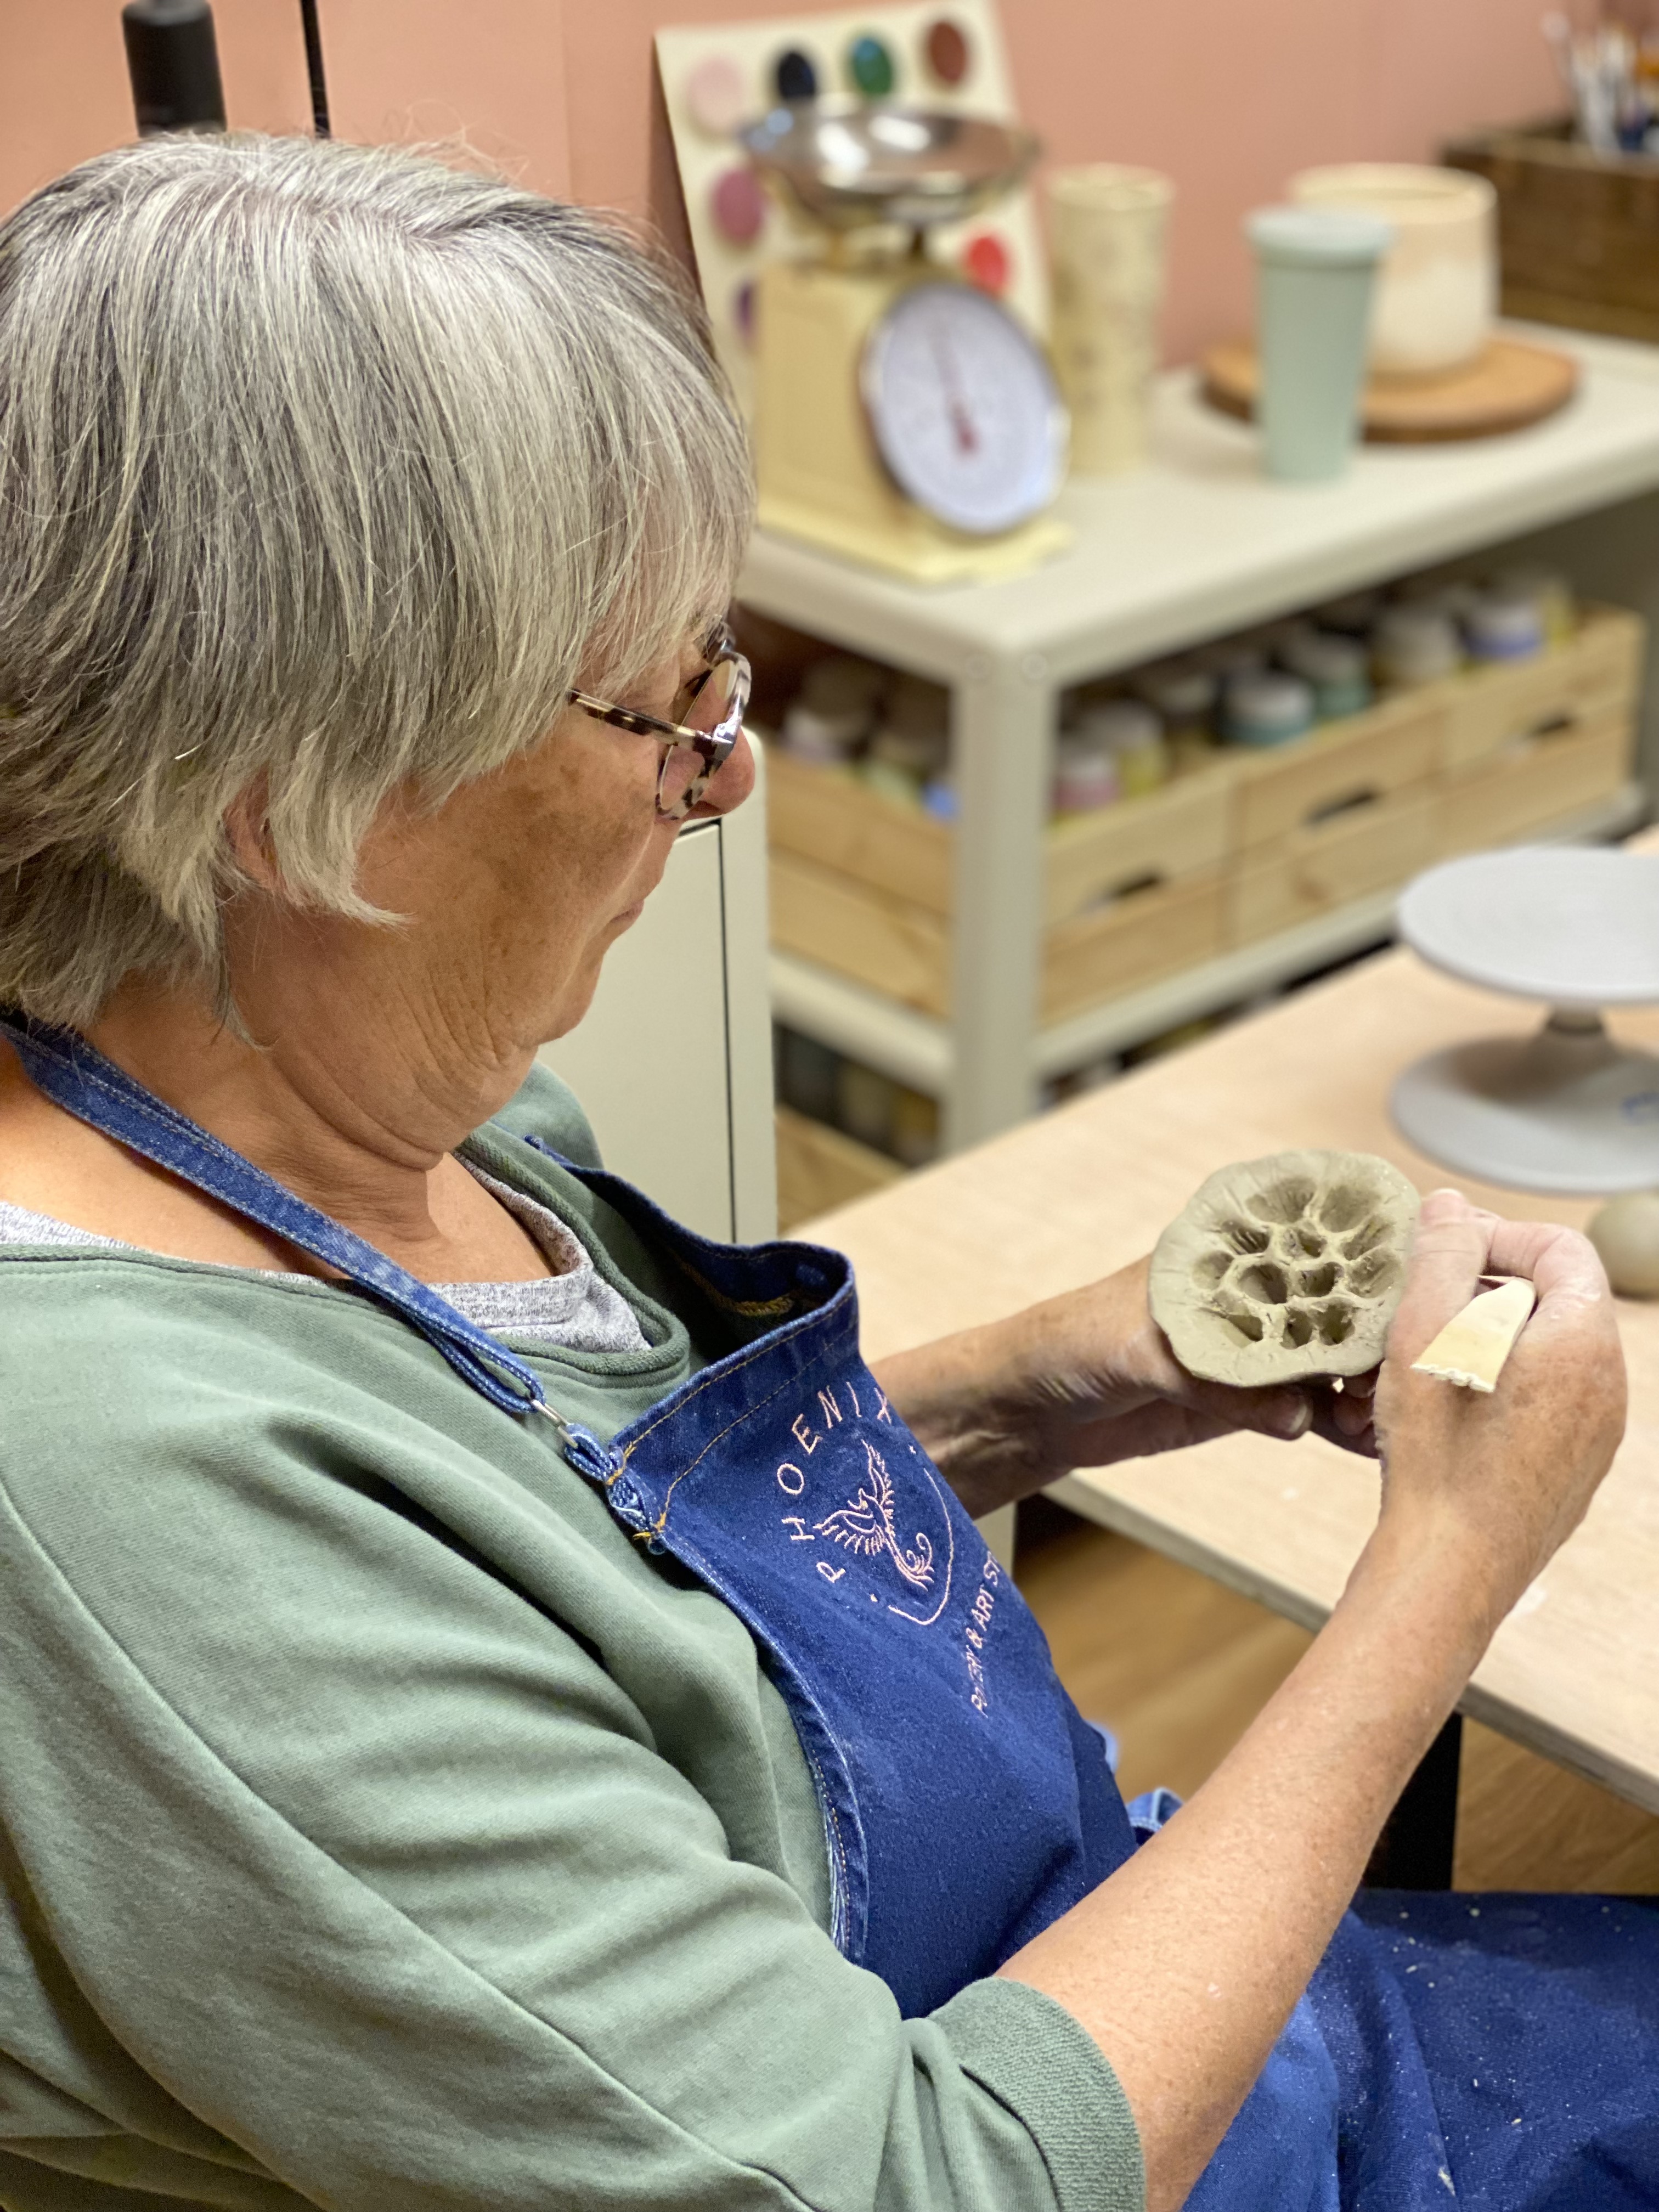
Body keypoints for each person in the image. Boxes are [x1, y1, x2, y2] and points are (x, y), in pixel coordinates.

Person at [0, 131, 1654, 2212]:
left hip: (1061, 1977)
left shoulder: (353, 1091)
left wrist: (1026, 1391)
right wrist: (1443, 1583)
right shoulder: (137, 1508)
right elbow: (912, 2183)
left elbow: (600, 1611)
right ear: (297, 803)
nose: (731, 767)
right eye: (666, 704)